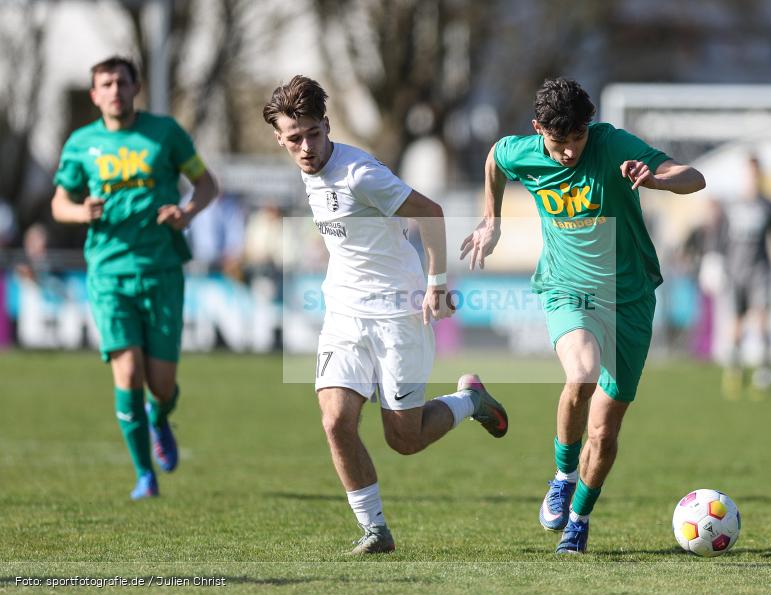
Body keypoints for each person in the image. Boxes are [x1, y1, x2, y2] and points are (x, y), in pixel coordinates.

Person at [263, 75, 508, 555]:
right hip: (344, 314)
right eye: (294, 138)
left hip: (398, 313)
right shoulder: (307, 170)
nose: (306, 147)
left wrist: (436, 284)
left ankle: (469, 400)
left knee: (405, 440)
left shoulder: (360, 174)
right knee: (336, 422)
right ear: (280, 139)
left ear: (327, 126)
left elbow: (431, 212)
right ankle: (374, 529)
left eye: (314, 134)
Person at [460, 78, 705, 554]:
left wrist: (657, 180)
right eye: (560, 142)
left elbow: (693, 177)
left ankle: (579, 519)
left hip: (630, 298)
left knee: (605, 431)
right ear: (539, 129)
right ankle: (563, 476)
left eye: (578, 138)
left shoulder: (613, 145)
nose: (571, 151)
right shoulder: (523, 152)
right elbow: (494, 159)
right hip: (566, 289)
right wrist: (492, 219)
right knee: (582, 373)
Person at [51, 56, 219, 500]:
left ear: (136, 87)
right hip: (109, 274)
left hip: (162, 271)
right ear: (94, 95)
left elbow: (207, 185)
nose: (114, 91)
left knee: (161, 385)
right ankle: (145, 475)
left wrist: (187, 213)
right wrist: (79, 211)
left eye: (121, 82)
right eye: (105, 85)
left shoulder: (165, 133)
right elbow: (59, 203)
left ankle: (160, 416)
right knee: (127, 372)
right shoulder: (81, 143)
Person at [720, 155, 771, 398]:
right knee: (736, 323)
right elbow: (722, 238)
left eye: (755, 173)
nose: (752, 177)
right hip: (735, 271)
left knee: (762, 320)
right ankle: (734, 369)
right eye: (749, 173)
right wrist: (715, 261)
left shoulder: (769, 206)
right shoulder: (732, 204)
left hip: (760, 270)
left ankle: (764, 371)